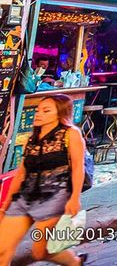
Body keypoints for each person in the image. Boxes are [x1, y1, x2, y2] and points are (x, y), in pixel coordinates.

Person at [0, 94, 87, 266]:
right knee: (2, 249)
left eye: (46, 111)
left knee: (40, 252)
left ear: (59, 114)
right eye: (38, 110)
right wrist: (6, 204)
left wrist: (75, 198)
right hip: (26, 196)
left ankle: (75, 262)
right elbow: (21, 174)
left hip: (55, 196)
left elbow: (78, 167)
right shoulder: (31, 140)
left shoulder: (71, 134)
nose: (38, 114)